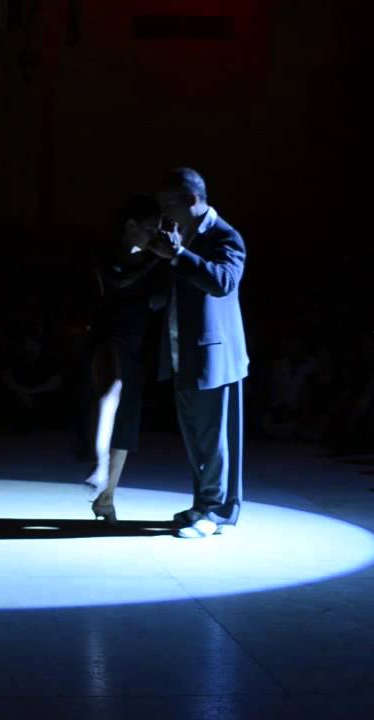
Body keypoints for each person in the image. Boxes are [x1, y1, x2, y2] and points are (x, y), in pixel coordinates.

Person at [147, 168, 250, 539]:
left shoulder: (224, 236)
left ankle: (217, 512)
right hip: (184, 352)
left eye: (169, 205)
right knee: (197, 438)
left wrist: (178, 255)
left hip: (214, 355)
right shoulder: (183, 236)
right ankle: (204, 504)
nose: (165, 214)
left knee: (215, 437)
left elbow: (222, 283)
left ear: (192, 200)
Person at [79, 193, 166, 523]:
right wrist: (158, 258)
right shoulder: (107, 253)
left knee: (127, 420)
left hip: (136, 342)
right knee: (111, 392)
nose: (154, 235)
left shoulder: (154, 261)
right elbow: (118, 281)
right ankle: (99, 465)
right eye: (149, 228)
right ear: (130, 225)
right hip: (107, 336)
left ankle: (107, 497)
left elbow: (160, 298)